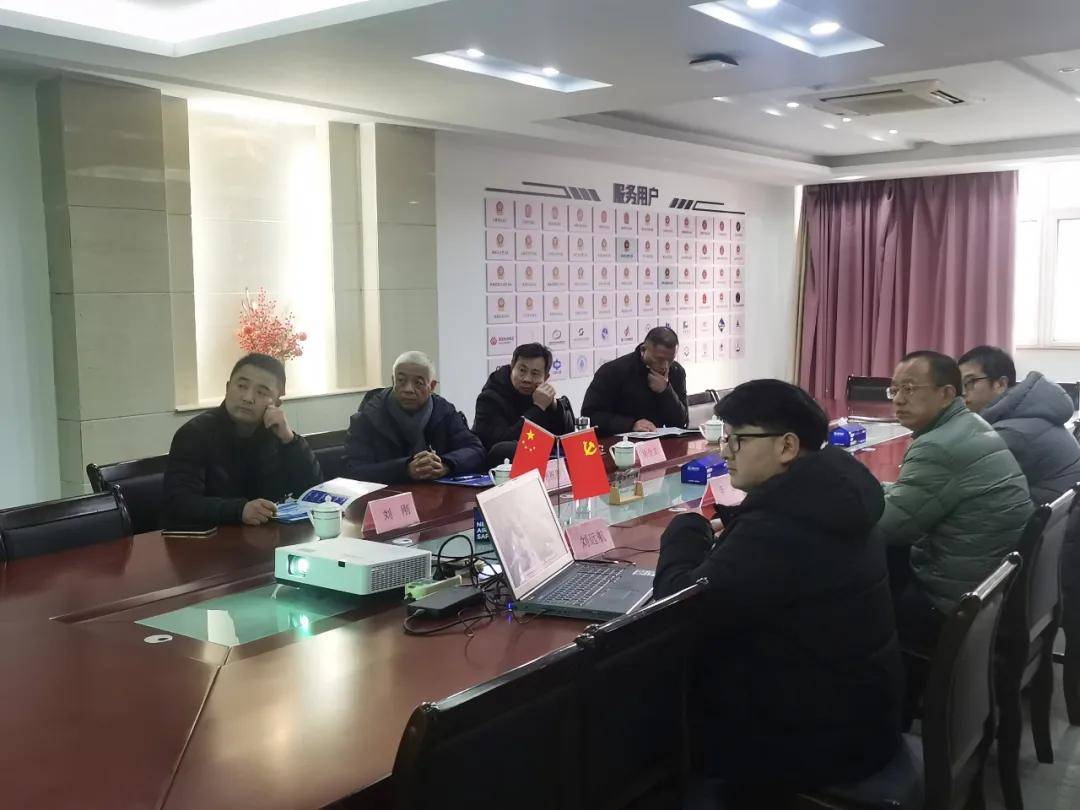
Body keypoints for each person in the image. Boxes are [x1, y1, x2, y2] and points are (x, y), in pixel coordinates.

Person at [655, 380, 902, 805]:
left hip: (813, 741)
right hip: (861, 715)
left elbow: (681, 607)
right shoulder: (834, 491)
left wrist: (685, 528)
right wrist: (737, 522)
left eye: (737, 439)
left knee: (642, 695)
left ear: (787, 446)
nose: (725, 452)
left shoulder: (780, 530)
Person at [872, 351, 1032, 654]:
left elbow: (888, 528)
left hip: (955, 602)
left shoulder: (938, 446)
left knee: (854, 592)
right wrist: (873, 489)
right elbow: (917, 496)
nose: (898, 400)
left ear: (946, 394)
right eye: (894, 390)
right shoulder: (969, 423)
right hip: (990, 585)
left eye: (909, 389)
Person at [162, 353, 322, 528]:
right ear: (227, 388)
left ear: (276, 403)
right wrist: (239, 510)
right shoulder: (194, 434)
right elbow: (179, 503)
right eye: (241, 386)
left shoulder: (276, 433)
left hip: (269, 536)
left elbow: (314, 493)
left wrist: (290, 440)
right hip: (212, 538)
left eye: (261, 392)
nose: (248, 398)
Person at [958, 345, 1080, 505]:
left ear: (1000, 384)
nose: (963, 393)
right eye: (959, 385)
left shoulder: (1011, 433)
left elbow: (961, 485)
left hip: (1034, 515)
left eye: (969, 382)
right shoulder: (1031, 414)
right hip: (1056, 513)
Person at [344, 351, 485, 484]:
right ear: (393, 380)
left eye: (418, 383)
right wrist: (405, 469)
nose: (408, 389)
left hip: (437, 494)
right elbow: (353, 470)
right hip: (388, 497)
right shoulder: (368, 418)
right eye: (401, 381)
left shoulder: (444, 412)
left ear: (432, 386)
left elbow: (476, 450)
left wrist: (445, 464)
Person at [472, 343, 575, 465]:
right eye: (522, 370)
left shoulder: (541, 395)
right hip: (495, 468)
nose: (526, 379)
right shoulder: (490, 398)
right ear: (512, 366)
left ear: (545, 377)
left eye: (535, 373)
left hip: (536, 467)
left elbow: (567, 440)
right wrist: (538, 408)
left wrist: (554, 406)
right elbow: (502, 445)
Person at [581, 326, 688, 436]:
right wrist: (631, 424)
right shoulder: (613, 371)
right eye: (659, 360)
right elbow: (590, 416)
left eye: (670, 360)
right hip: (620, 442)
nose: (665, 366)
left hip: (662, 442)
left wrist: (666, 391)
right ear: (643, 350)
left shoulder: (676, 371)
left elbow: (682, 422)